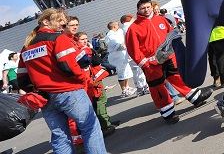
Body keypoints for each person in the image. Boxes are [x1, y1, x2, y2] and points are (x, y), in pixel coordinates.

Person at [17, 9, 107, 154]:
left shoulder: (26, 47)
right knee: (90, 128)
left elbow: (21, 78)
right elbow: (69, 67)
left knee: (60, 137)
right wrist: (83, 79)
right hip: (69, 92)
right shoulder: (58, 39)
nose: (63, 24)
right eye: (59, 20)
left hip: (46, 98)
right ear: (46, 22)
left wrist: (38, 90)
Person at [125, 0, 213, 124]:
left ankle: (196, 98)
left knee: (178, 76)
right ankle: (168, 113)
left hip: (169, 57)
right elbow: (133, 49)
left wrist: (177, 50)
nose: (146, 10)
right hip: (151, 64)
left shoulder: (160, 19)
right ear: (138, 10)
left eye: (148, 7)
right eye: (143, 8)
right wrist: (144, 63)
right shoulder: (133, 29)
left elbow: (171, 35)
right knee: (158, 88)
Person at [119, 14, 149, 97]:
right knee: (142, 70)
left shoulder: (123, 28)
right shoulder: (131, 26)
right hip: (136, 52)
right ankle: (144, 87)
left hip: (130, 54)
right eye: (132, 18)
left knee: (136, 71)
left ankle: (140, 88)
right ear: (129, 19)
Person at [105, 21, 137, 98]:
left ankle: (127, 87)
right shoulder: (110, 36)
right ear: (114, 26)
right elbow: (118, 46)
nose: (118, 26)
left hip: (123, 54)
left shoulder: (119, 32)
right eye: (117, 25)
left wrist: (124, 43)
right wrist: (123, 43)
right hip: (117, 56)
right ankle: (123, 89)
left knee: (127, 71)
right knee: (121, 72)